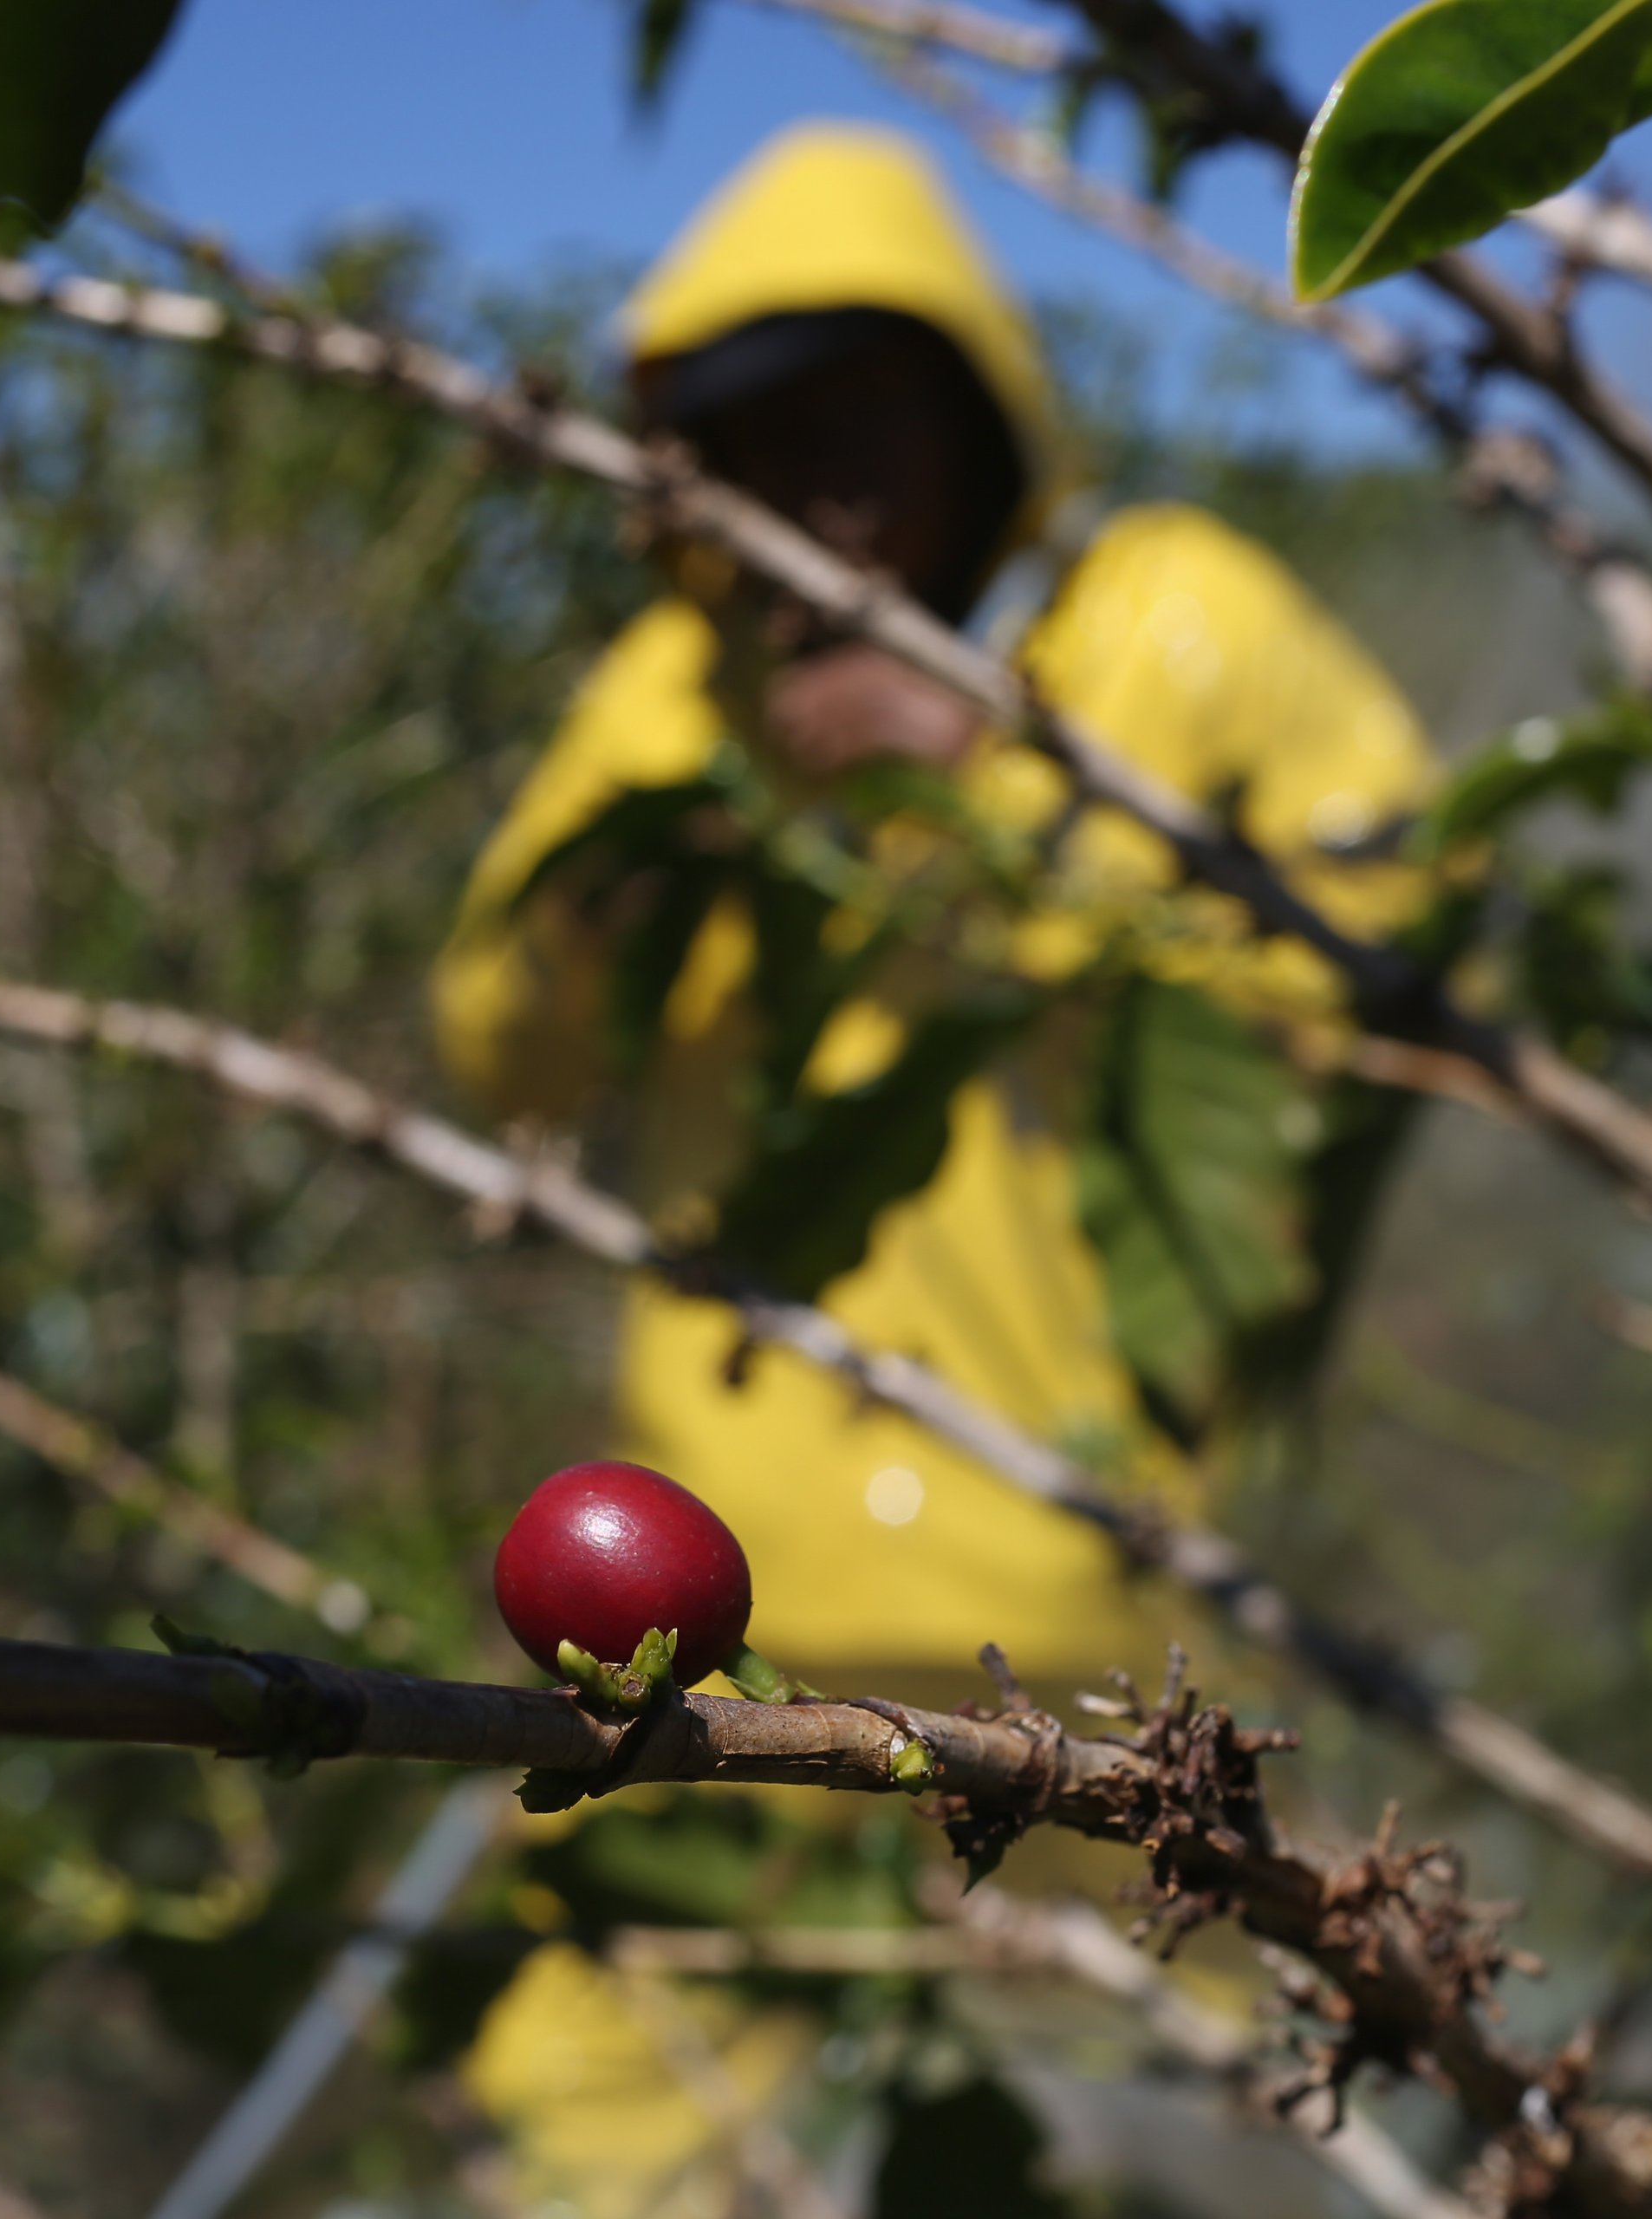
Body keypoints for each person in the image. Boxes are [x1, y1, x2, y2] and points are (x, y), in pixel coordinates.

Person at [434, 121, 1433, 1701]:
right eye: (752, 445)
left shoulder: (1175, 614)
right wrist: (659, 854)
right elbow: (503, 1051)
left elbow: (1392, 950)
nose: (817, 504)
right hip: (710, 1600)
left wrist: (999, 785)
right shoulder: (671, 701)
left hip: (1079, 1584)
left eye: (856, 426)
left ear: (973, 419)